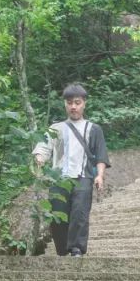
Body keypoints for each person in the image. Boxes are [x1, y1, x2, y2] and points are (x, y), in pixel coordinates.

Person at [32, 83, 110, 258]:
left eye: (77, 102)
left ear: (84, 103)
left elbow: (101, 155)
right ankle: (62, 250)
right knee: (58, 216)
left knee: (79, 213)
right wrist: (39, 159)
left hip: (83, 178)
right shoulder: (56, 128)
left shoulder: (94, 129)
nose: (73, 106)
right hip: (58, 179)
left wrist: (100, 175)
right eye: (69, 103)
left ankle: (77, 249)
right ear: (65, 104)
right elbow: (43, 147)